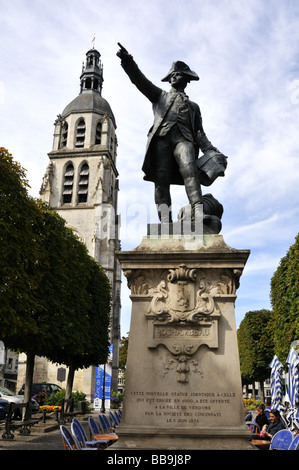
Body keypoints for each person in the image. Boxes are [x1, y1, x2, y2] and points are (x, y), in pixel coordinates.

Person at [116, 43, 226, 225]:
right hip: (161, 141)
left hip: (184, 140)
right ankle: (165, 223)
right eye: (172, 75)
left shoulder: (193, 107)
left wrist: (211, 150)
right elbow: (140, 81)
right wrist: (128, 61)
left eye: (178, 74)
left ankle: (197, 214)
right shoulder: (160, 96)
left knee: (190, 171)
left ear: (186, 79)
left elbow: (199, 133)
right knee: (161, 181)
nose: (174, 76)